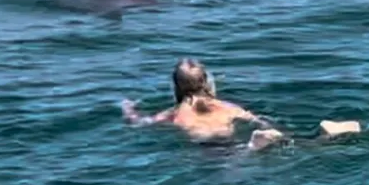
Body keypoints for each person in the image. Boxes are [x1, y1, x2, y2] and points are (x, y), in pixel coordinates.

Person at [120, 58, 286, 150]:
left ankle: (251, 147)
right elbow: (256, 119)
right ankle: (252, 145)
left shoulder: (173, 113)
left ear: (176, 86)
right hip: (227, 135)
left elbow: (142, 123)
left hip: (205, 143)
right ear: (206, 81)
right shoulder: (226, 106)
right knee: (235, 155)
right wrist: (264, 124)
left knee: (224, 164)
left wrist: (128, 110)